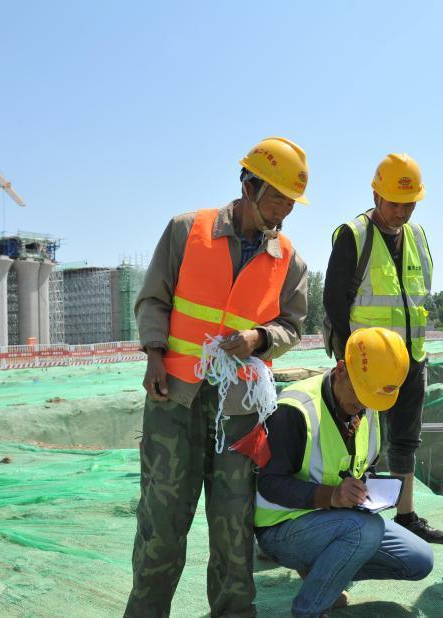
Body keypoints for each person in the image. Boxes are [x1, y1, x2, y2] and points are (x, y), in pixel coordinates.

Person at [125, 136, 310, 617]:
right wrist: (153, 354)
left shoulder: (289, 258)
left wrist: (258, 339)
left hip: (241, 411)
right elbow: (153, 299)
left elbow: (293, 326)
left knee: (233, 524)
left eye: (291, 204)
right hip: (174, 401)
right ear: (250, 186)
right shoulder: (187, 231)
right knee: (162, 525)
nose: (283, 214)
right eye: (277, 200)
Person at [255, 327, 434, 617]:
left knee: (418, 560)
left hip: (339, 521)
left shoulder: (369, 403)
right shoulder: (296, 408)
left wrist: (365, 489)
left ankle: (323, 576)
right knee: (365, 530)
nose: (363, 406)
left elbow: (364, 464)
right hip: (282, 529)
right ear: (340, 369)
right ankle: (309, 610)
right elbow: (270, 484)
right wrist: (333, 495)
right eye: (359, 394)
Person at [323, 153, 443, 545]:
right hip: (367, 366)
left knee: (406, 440)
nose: (400, 211)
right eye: (393, 202)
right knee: (361, 443)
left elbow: (416, 298)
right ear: (376, 195)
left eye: (408, 203)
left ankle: (406, 516)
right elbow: (333, 302)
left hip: (411, 359)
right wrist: (349, 361)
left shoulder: (417, 237)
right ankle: (359, 518)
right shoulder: (354, 235)